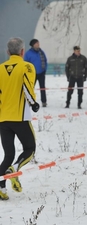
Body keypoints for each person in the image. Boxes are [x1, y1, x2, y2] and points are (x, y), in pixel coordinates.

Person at [0, 37, 40, 200]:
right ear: (22, 51)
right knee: (30, 148)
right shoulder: (26, 66)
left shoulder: (0, 68)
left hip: (3, 118)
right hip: (20, 117)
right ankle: (14, 169)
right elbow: (26, 86)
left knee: (8, 154)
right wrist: (34, 103)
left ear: (8, 52)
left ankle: (1, 188)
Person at [24, 38, 48, 107]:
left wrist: (44, 69)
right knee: (30, 88)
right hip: (32, 74)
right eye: (37, 43)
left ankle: (44, 102)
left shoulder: (41, 52)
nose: (38, 44)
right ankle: (30, 101)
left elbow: (45, 61)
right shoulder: (28, 54)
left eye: (38, 43)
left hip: (41, 73)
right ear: (33, 45)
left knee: (42, 88)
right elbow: (26, 64)